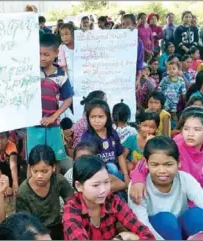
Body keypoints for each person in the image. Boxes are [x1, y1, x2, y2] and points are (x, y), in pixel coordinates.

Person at [128, 136, 203, 240]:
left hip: (183, 228)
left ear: (178, 162)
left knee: (197, 215)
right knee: (166, 220)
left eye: (168, 164)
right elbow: (142, 225)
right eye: (155, 165)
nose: (162, 170)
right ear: (146, 164)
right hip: (157, 232)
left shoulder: (185, 179)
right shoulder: (137, 187)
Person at [130, 107, 203, 205]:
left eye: (197, 129)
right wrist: (138, 181)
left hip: (194, 204)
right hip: (167, 202)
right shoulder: (173, 148)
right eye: (186, 129)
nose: (190, 134)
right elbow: (143, 164)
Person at [62, 155, 155, 240]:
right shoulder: (71, 211)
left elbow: (146, 234)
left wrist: (132, 236)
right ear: (79, 186)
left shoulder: (112, 201)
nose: (103, 190)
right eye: (95, 185)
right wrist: (122, 238)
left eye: (106, 182)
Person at [26, 33, 74, 174]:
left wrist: (54, 116)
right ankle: (31, 189)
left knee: (55, 159)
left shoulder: (60, 75)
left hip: (53, 125)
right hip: (34, 125)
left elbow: (68, 99)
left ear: (56, 53)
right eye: (39, 54)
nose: (42, 58)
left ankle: (55, 186)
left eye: (46, 54)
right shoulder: (31, 72)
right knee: (32, 160)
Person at [16, 145, 74, 240]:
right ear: (30, 168)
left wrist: (68, 219)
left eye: (44, 171)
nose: (39, 176)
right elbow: (23, 222)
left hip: (57, 226)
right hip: (35, 231)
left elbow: (72, 203)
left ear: (54, 167)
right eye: (35, 171)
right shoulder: (23, 191)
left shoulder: (59, 180)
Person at [80, 99, 129, 185]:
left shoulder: (113, 133)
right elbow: (87, 163)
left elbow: (120, 155)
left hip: (115, 174)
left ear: (107, 117)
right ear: (88, 118)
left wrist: (126, 175)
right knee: (111, 167)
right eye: (93, 117)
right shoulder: (87, 137)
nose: (96, 120)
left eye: (100, 117)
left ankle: (120, 187)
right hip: (96, 175)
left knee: (114, 167)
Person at [122, 13, 145, 84]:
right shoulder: (116, 40)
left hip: (131, 76)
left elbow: (140, 63)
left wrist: (138, 80)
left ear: (134, 25)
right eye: (123, 24)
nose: (125, 26)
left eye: (128, 23)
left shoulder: (138, 43)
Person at [58, 23, 75, 88]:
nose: (64, 37)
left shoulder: (80, 45)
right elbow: (63, 67)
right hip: (70, 80)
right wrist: (67, 83)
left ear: (73, 33)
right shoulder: (61, 48)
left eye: (66, 34)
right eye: (62, 35)